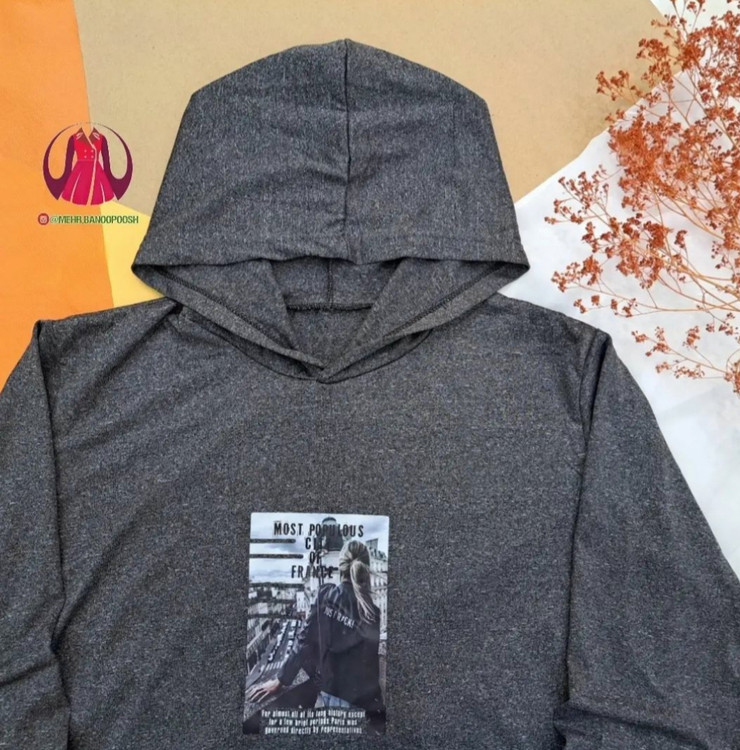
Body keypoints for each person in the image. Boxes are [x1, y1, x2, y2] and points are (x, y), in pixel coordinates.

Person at [245, 539, 384, 713]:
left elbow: (303, 641)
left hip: (332, 695)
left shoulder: (326, 595)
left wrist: (281, 680)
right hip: (362, 702)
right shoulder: (372, 612)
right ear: (365, 570)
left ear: (340, 566)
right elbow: (370, 666)